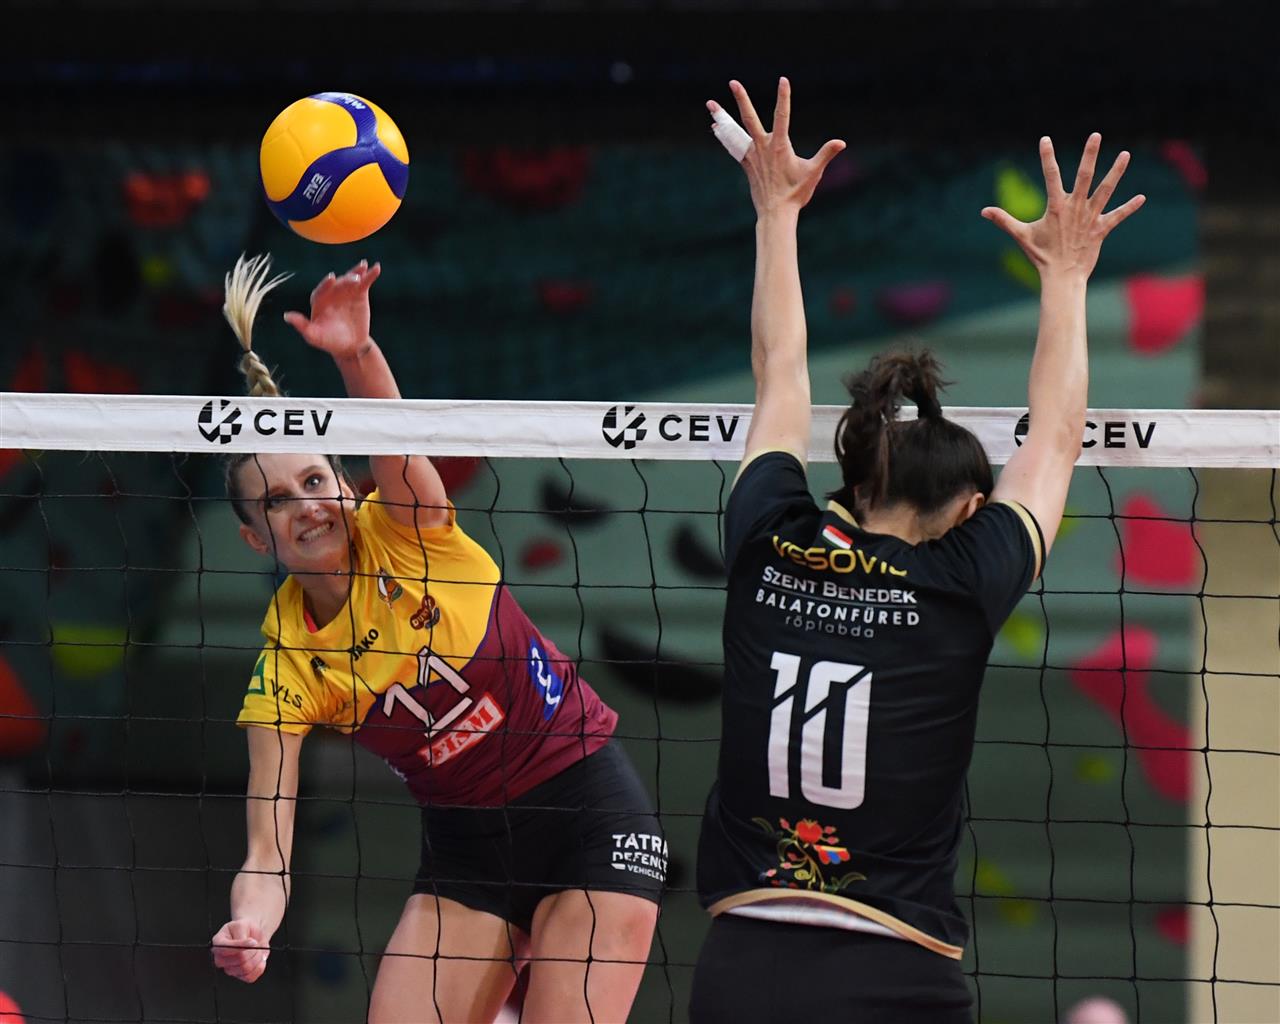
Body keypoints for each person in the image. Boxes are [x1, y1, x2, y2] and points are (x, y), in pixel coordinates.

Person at [690, 79, 1144, 1023]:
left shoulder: (766, 539)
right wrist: (1066, 274)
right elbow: (1057, 437)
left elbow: (780, 374)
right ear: (970, 508)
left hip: (743, 958)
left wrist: (777, 211)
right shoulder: (961, 584)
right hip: (895, 968)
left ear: (853, 477)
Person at [208, 255, 663, 1023]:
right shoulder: (286, 667)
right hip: (467, 853)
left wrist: (356, 352)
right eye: (278, 501)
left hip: (585, 812)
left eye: (316, 481)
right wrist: (252, 924)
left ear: (346, 484)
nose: (307, 506)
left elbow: (394, 435)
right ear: (257, 538)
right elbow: (267, 851)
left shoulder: (409, 530)